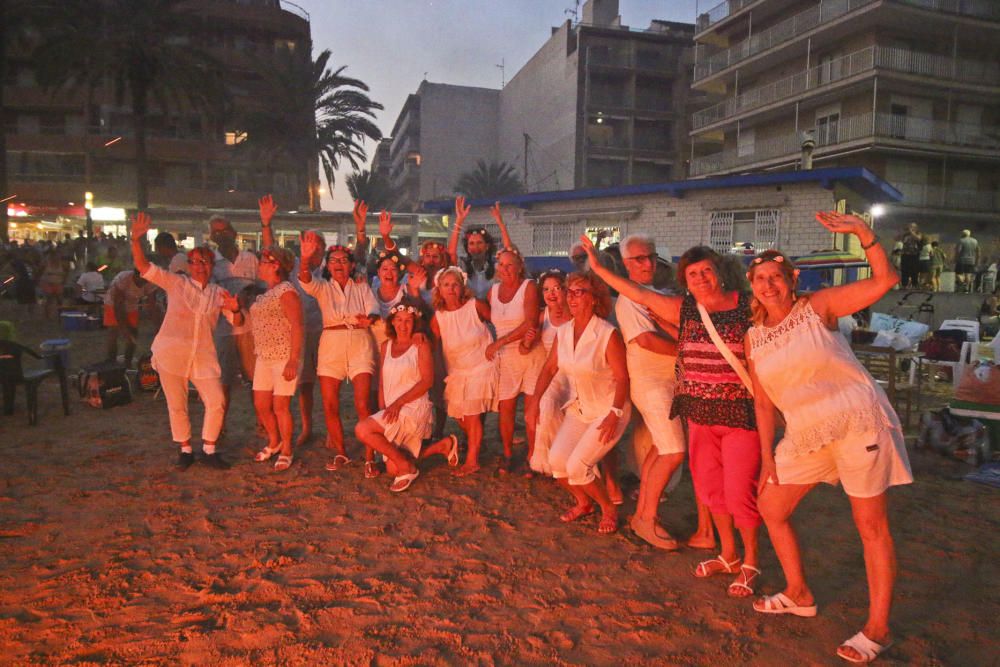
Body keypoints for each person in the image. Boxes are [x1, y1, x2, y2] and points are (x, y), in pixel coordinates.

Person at [746, 211, 912, 665]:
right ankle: (799, 592)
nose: (768, 285)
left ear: (791, 279)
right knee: (771, 507)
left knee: (870, 526)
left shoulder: (817, 308)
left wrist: (864, 234)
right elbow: (763, 404)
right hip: (805, 434)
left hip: (857, 422)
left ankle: (879, 628)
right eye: (759, 278)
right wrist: (766, 459)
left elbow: (885, 278)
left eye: (775, 277)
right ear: (752, 284)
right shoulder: (753, 337)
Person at [580, 236, 762, 598]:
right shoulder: (667, 304)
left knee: (732, 486)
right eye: (693, 274)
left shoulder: (743, 306)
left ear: (720, 273)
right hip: (683, 399)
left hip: (727, 406)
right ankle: (662, 524)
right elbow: (644, 324)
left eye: (706, 271)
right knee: (687, 463)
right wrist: (599, 269)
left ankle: (744, 558)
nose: (700, 278)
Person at [129, 212, 242, 470]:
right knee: (176, 403)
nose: (199, 266)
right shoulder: (177, 283)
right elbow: (144, 267)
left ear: (212, 265)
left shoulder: (218, 292)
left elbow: (236, 321)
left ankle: (209, 448)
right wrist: (136, 240)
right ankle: (185, 448)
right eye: (194, 262)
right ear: (189, 264)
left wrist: (235, 309)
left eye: (204, 262)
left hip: (203, 355)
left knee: (216, 400)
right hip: (172, 352)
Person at [526, 272, 630, 535]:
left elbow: (622, 378)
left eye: (579, 292)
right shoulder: (564, 331)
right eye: (569, 292)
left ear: (594, 299)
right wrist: (535, 401)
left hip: (609, 409)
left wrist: (614, 413)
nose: (570, 297)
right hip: (580, 408)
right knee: (557, 463)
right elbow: (550, 368)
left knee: (577, 466)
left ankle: (608, 507)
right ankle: (584, 502)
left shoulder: (607, 334)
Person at [614, 234, 687, 550]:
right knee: (673, 451)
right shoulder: (629, 298)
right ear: (626, 264)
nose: (647, 264)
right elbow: (644, 340)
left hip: (667, 383)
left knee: (662, 448)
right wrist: (690, 351)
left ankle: (644, 514)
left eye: (650, 257)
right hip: (652, 385)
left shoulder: (653, 294)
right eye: (639, 259)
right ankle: (646, 518)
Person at [298, 234, 379, 477]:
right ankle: (341, 451)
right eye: (333, 260)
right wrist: (304, 258)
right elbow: (305, 279)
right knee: (330, 403)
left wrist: (370, 319)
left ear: (352, 264)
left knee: (363, 403)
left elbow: (373, 309)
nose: (339, 264)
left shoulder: (362, 285)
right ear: (327, 265)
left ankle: (370, 455)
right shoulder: (323, 287)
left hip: (359, 341)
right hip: (331, 344)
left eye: (344, 260)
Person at [355, 304, 458, 492]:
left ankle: (407, 467)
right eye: (399, 320)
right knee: (391, 469)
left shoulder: (421, 344)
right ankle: (441, 446)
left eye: (408, 321)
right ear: (392, 322)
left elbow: (427, 381)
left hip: (413, 407)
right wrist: (382, 410)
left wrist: (398, 404)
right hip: (393, 409)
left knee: (362, 429)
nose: (403, 325)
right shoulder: (386, 346)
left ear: (415, 323)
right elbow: (382, 384)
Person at [259, 195, 323, 447]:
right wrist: (266, 225)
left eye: (317, 243)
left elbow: (359, 254)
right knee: (304, 384)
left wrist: (360, 230)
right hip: (297, 332)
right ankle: (305, 429)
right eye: (308, 242)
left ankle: (318, 427)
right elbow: (271, 253)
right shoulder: (294, 265)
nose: (313, 246)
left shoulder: (330, 266)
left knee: (326, 384)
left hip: (324, 330)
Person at [430, 266, 499, 476]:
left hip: (482, 366)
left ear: (462, 287)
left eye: (455, 284)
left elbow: (500, 323)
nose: (451, 289)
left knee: (471, 416)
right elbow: (431, 347)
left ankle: (472, 461)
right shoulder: (438, 317)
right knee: (459, 416)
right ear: (439, 289)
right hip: (457, 372)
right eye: (446, 285)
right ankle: (478, 444)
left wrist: (498, 344)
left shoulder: (475, 306)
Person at [488, 233, 546, 474]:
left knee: (532, 410)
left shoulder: (528, 287)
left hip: (531, 353)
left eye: (510, 265)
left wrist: (500, 341)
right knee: (506, 408)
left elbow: (531, 322)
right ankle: (508, 453)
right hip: (505, 358)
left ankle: (533, 455)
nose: (505, 269)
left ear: (520, 266)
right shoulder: (492, 292)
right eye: (501, 264)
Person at [250, 247, 303, 472]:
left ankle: (287, 449)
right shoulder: (266, 293)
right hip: (264, 355)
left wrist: (293, 360)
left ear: (275, 266)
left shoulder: (286, 291)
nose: (259, 265)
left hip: (283, 355)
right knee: (261, 405)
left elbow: (297, 326)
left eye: (262, 262)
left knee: (281, 406)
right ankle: (274, 440)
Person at [208, 215, 259, 426]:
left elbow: (263, 285)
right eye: (217, 232)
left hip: (251, 328)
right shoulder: (211, 262)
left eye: (225, 230)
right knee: (223, 383)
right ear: (212, 237)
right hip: (224, 330)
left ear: (234, 232)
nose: (222, 236)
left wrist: (248, 293)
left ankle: (262, 423)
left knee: (255, 380)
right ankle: (219, 427)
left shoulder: (250, 259)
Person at [522, 269, 572, 475]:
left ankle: (567, 458)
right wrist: (527, 339)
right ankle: (542, 461)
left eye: (557, 288)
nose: (552, 293)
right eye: (546, 289)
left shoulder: (576, 311)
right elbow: (524, 349)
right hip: (552, 374)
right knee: (544, 405)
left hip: (574, 372)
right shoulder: (543, 316)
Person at [448, 196, 509, 300]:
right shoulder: (462, 267)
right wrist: (458, 221)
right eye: (471, 243)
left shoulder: (496, 267)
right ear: (467, 247)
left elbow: (510, 253)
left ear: (487, 246)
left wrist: (501, 224)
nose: (475, 247)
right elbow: (450, 255)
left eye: (479, 243)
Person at [103, 269, 158, 368]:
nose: (143, 283)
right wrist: (124, 329)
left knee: (133, 334)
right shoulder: (123, 279)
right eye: (141, 280)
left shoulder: (151, 281)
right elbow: (118, 307)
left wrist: (158, 326)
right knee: (113, 332)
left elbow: (152, 306)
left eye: (146, 280)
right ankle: (111, 363)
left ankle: (127, 363)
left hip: (132, 305)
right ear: (135, 275)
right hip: (112, 304)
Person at [39, 249, 67, 319]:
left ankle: (60, 314)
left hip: (58, 283)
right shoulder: (46, 263)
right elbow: (39, 271)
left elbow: (66, 272)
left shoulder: (62, 264)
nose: (57, 257)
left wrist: (64, 280)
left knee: (59, 300)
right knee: (49, 299)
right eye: (55, 256)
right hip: (48, 283)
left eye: (58, 256)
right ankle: (47, 315)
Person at [897, 223, 922, 289]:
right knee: (904, 270)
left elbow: (918, 239)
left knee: (914, 270)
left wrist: (911, 232)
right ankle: (904, 285)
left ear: (915, 228)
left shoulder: (918, 233)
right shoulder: (905, 235)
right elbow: (897, 238)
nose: (910, 228)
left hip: (914, 255)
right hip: (905, 254)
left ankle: (915, 284)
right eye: (909, 227)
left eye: (912, 227)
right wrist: (903, 232)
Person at [955, 229, 979, 293]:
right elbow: (978, 252)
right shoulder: (975, 241)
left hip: (961, 260)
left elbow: (958, 251)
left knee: (958, 273)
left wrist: (955, 258)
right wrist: (976, 260)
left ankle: (962, 283)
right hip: (971, 260)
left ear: (963, 234)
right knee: (968, 274)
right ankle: (967, 288)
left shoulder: (961, 241)